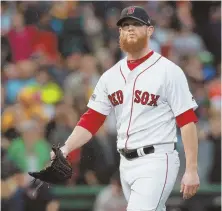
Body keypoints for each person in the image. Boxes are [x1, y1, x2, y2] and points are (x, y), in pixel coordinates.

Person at [51, 6, 200, 211]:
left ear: (150, 30)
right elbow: (92, 118)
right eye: (125, 25)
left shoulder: (168, 71)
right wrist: (66, 148)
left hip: (157, 159)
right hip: (126, 163)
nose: (130, 29)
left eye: (136, 24)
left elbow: (187, 120)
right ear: (119, 32)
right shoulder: (110, 76)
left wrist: (191, 169)